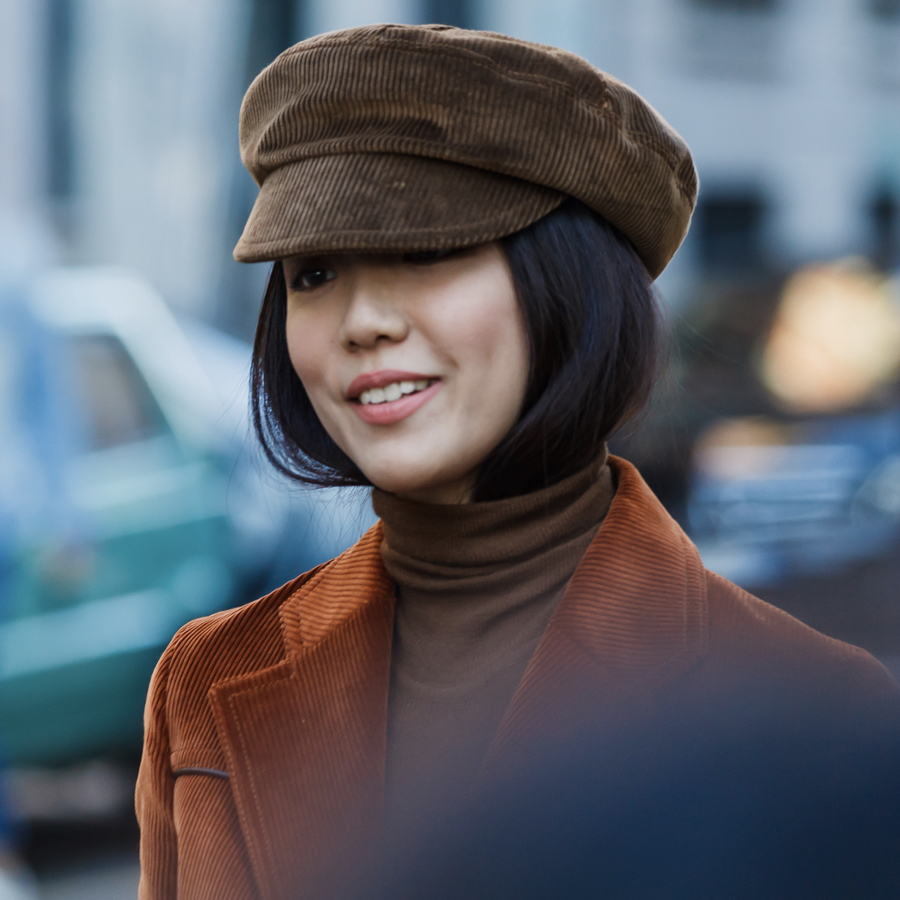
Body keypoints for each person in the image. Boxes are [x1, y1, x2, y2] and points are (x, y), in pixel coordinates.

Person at [135, 23, 900, 900]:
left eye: (425, 250)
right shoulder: (205, 679)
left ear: (564, 282)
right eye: (312, 273)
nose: (361, 320)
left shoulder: (814, 708)